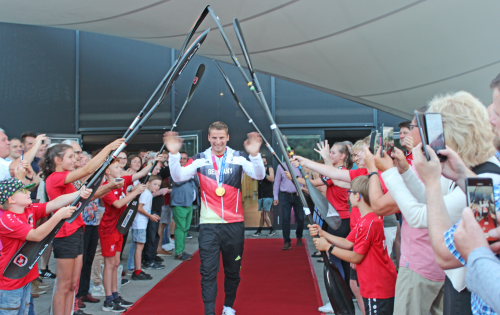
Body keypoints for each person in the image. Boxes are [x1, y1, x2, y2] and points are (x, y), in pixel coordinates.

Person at [165, 121, 265, 315]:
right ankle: (209, 312)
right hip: (209, 225)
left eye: (221, 138)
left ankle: (228, 306)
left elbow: (258, 175)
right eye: (214, 138)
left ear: (227, 138)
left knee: (233, 271)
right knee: (208, 272)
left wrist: (254, 154)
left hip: (234, 224)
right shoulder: (200, 159)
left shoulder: (238, 157)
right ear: (209, 138)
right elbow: (178, 177)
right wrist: (174, 154)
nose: (218, 142)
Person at [42, 139, 123, 315]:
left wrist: (110, 186)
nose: (75, 160)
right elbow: (86, 170)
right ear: (57, 160)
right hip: (65, 234)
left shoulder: (66, 180)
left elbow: (89, 197)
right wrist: (109, 148)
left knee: (72, 285)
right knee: (64, 286)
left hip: (77, 230)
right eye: (70, 156)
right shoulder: (56, 178)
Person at [0, 178, 91, 315]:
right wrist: (58, 216)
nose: (28, 192)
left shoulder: (29, 209)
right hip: (11, 280)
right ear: (11, 200)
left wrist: (79, 193)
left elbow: (54, 203)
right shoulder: (8, 219)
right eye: (23, 190)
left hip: (24, 275)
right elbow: (35, 235)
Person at [309, 176, 397, 315]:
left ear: (358, 196)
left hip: (377, 285)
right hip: (375, 282)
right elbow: (347, 242)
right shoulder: (367, 219)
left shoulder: (368, 223)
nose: (348, 195)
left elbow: (356, 257)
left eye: (350, 192)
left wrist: (328, 247)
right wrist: (323, 234)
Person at [288, 141, 352, 313]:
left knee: (336, 261)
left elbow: (313, 184)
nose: (330, 155)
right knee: (341, 260)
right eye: (329, 153)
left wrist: (294, 177)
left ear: (342, 156)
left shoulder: (340, 173)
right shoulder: (338, 173)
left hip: (339, 221)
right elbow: (314, 183)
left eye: (332, 153)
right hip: (338, 219)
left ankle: (338, 300)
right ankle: (346, 296)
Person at [99, 154, 159, 312]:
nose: (121, 169)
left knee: (116, 263)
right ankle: (108, 300)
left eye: (120, 167)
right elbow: (118, 204)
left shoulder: (122, 181)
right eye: (117, 167)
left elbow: (141, 173)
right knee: (110, 264)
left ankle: (115, 295)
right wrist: (135, 192)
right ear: (107, 171)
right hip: (109, 229)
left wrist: (154, 161)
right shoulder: (106, 187)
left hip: (119, 228)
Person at [129, 175, 161, 281]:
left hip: (142, 223)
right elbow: (139, 208)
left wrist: (150, 215)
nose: (157, 187)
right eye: (155, 184)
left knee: (139, 247)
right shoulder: (145, 193)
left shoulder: (148, 194)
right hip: (139, 223)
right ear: (148, 183)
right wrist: (150, 216)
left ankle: (137, 269)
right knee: (139, 247)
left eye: (159, 185)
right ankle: (137, 271)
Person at [169, 151, 199, 260]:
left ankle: (182, 250)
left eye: (184, 158)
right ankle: (178, 253)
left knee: (186, 228)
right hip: (179, 203)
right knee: (180, 228)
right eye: (180, 158)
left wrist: (192, 174)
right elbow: (177, 181)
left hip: (189, 203)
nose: (182, 160)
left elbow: (198, 183)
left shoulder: (190, 171)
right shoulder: (174, 169)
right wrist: (189, 176)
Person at [273, 147, 304, 250]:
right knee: (285, 219)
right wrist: (275, 196)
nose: (289, 156)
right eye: (286, 154)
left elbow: (304, 180)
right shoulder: (281, 166)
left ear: (294, 154)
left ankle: (299, 237)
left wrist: (302, 190)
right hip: (285, 196)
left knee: (300, 218)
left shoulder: (299, 166)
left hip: (297, 195)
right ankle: (287, 241)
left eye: (290, 154)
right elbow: (277, 182)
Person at [253, 156, 275, 236]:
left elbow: (272, 179)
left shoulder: (269, 169)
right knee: (263, 214)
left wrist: (264, 174)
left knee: (263, 214)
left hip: (268, 195)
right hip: (261, 195)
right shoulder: (259, 170)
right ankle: (271, 229)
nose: (263, 164)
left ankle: (259, 230)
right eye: (262, 163)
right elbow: (252, 178)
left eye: (265, 162)